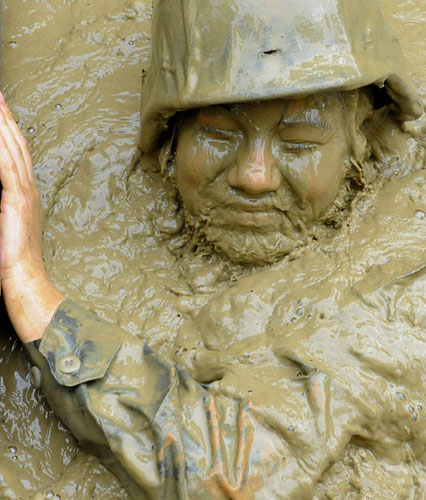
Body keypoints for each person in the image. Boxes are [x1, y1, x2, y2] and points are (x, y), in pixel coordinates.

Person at [0, 0, 424, 498]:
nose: (254, 176)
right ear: (168, 140)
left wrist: (27, 285)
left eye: (300, 143)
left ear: (363, 144)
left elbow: (239, 478)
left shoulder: (402, 279)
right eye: (219, 134)